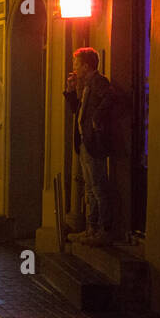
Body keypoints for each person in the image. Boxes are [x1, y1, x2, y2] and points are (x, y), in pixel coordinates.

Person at [63, 47, 116, 246]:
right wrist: (70, 90)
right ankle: (91, 228)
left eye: (77, 64)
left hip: (94, 143)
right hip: (85, 142)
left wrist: (97, 117)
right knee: (89, 188)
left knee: (98, 187)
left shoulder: (99, 81)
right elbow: (77, 110)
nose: (74, 67)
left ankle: (104, 230)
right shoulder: (85, 84)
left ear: (86, 65)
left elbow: (110, 97)